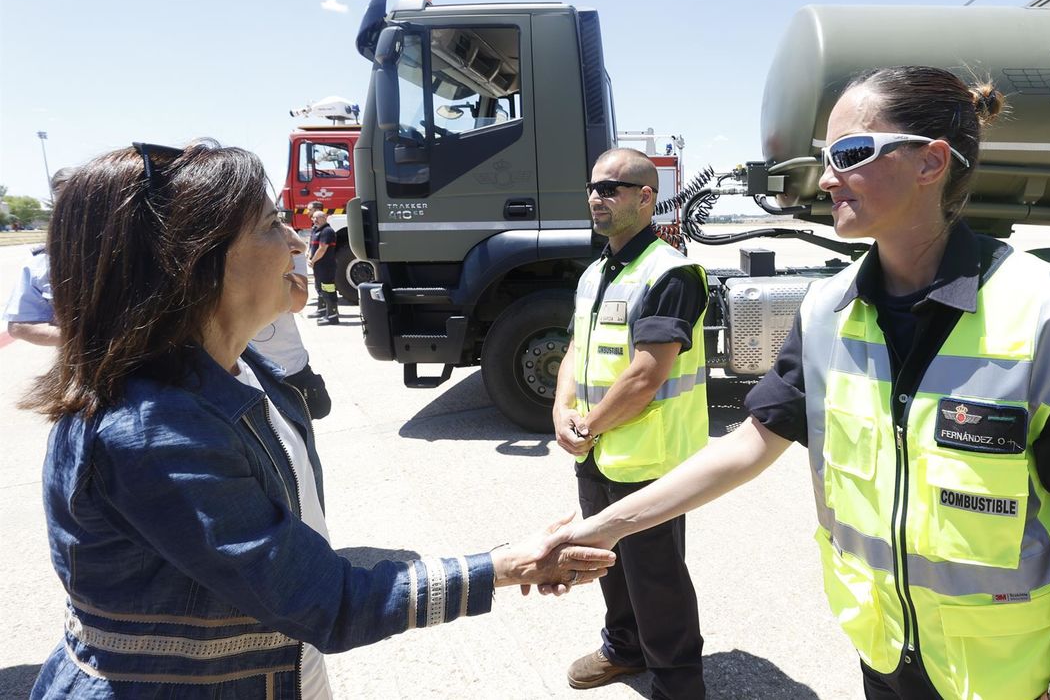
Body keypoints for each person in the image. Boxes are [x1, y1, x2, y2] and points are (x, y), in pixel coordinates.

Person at [545, 67, 1050, 700]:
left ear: (930, 163)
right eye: (825, 157)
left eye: (850, 153)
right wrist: (601, 528)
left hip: (1010, 677)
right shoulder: (825, 311)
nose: (826, 177)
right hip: (884, 652)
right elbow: (750, 445)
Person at [24, 140, 615, 699]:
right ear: (194, 263)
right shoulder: (153, 433)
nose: (297, 242)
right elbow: (321, 600)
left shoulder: (245, 370)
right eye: (270, 225)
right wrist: (507, 566)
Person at [552, 147, 710, 698]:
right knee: (606, 561)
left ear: (645, 197)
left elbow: (646, 375)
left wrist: (588, 425)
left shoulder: (671, 273)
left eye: (610, 188)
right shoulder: (594, 274)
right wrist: (561, 410)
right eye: (592, 188)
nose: (596, 197)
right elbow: (575, 348)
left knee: (656, 577)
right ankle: (625, 648)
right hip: (598, 452)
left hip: (649, 458)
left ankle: (677, 683)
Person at [251, 251, 334, 418]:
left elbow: (297, 302)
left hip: (290, 369)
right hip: (244, 374)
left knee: (315, 411)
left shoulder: (288, 245)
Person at [2, 167, 76, 346]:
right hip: (81, 359)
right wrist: (87, 340)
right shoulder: (42, 263)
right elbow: (20, 325)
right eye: (64, 201)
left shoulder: (133, 246)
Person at [308, 202, 339, 325]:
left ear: (325, 217)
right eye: (314, 218)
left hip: (326, 267)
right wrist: (309, 257)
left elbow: (322, 249)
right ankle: (322, 311)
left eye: (318, 218)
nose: (315, 220)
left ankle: (332, 316)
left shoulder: (327, 231)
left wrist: (312, 260)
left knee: (328, 290)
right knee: (320, 288)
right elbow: (312, 246)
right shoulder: (316, 230)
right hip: (319, 267)